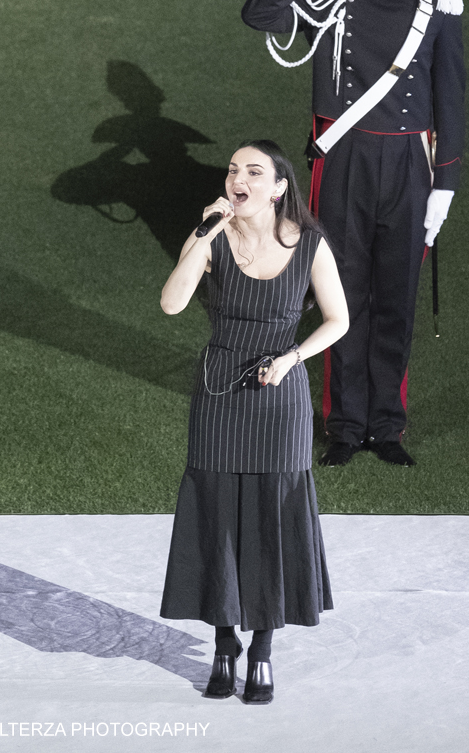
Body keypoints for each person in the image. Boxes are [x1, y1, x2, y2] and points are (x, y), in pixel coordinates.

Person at [241, 0, 465, 469]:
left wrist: (446, 181)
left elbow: (450, 92)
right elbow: (257, 14)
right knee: (342, 292)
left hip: (407, 168)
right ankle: (342, 426)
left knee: (395, 296)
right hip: (341, 163)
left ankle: (387, 426)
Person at [159, 140, 349, 705]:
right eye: (233, 170)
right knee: (217, 515)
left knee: (271, 518)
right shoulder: (214, 242)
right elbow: (171, 303)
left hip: (279, 397)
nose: (238, 178)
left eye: (253, 171)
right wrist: (205, 234)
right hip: (219, 395)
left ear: (279, 187)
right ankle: (224, 645)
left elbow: (338, 320)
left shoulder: (310, 246)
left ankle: (262, 651)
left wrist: (291, 359)